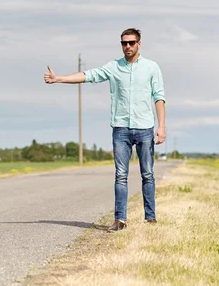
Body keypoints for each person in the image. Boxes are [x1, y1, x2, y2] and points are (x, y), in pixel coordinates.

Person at [43, 28, 166, 232]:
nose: (127, 46)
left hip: (145, 127)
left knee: (148, 174)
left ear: (139, 44)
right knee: (120, 175)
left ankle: (150, 218)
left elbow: (159, 97)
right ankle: (120, 220)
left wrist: (161, 126)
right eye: (124, 43)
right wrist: (59, 79)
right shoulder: (114, 67)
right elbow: (89, 75)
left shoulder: (152, 67)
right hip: (121, 128)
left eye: (131, 43)